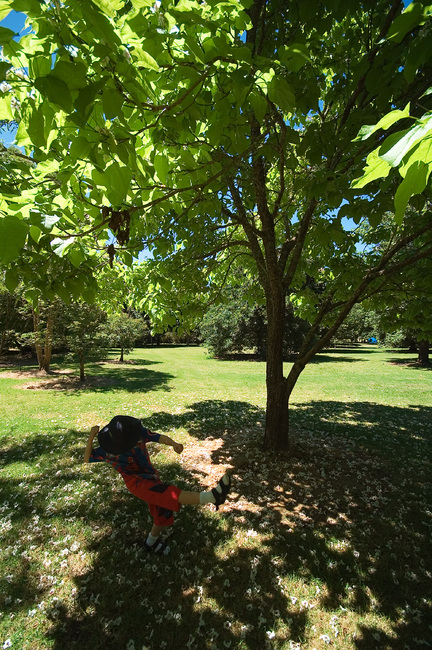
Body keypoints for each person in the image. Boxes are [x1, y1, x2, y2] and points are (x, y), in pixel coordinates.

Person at [83, 415, 232, 555]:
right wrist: (91, 438)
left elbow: (158, 437)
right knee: (168, 493)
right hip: (136, 483)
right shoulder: (107, 451)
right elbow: (87, 458)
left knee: (163, 510)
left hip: (151, 476)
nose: (136, 442)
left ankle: (150, 543)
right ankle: (213, 497)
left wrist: (173, 444)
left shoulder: (138, 434)